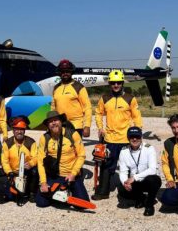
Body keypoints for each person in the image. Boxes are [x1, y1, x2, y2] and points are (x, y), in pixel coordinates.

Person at [93, 69, 142, 200]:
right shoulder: (104, 98)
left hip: (126, 139)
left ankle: (130, 193)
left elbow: (137, 117)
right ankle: (103, 191)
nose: (116, 85)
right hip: (109, 138)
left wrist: (137, 132)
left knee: (131, 166)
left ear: (122, 83)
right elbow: (98, 113)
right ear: (109, 83)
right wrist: (100, 127)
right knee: (106, 165)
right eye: (113, 83)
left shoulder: (130, 98)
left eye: (118, 83)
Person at [35, 111, 89, 208]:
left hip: (71, 175)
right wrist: (43, 182)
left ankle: (64, 192)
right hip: (54, 175)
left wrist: (73, 173)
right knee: (41, 203)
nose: (54, 123)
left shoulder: (73, 134)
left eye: (56, 120)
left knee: (82, 205)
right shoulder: (44, 138)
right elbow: (40, 161)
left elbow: (81, 155)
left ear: (61, 121)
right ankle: (60, 194)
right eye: (50, 122)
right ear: (47, 125)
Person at [117, 126, 161, 216]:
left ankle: (149, 204)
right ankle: (140, 198)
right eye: (131, 137)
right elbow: (123, 171)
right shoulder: (124, 151)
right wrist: (125, 183)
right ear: (128, 138)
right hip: (135, 182)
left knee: (154, 180)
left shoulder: (149, 148)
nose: (134, 139)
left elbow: (152, 169)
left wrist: (134, 177)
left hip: (147, 180)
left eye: (137, 136)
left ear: (141, 137)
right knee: (122, 190)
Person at [2, 116, 38, 204]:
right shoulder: (7, 143)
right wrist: (9, 172)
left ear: (24, 130)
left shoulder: (31, 142)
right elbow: (4, 161)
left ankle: (32, 193)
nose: (19, 131)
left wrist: (31, 163)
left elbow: (36, 157)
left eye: (21, 129)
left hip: (26, 172)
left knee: (35, 171)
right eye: (17, 129)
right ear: (13, 130)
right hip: (12, 173)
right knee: (10, 196)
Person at [51, 59, 92, 138]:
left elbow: (87, 107)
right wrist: (52, 123)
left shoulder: (78, 87)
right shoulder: (56, 88)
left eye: (68, 71)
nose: (65, 73)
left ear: (71, 72)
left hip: (76, 126)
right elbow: (53, 108)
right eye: (63, 71)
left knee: (75, 150)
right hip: (60, 126)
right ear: (59, 73)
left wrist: (87, 126)